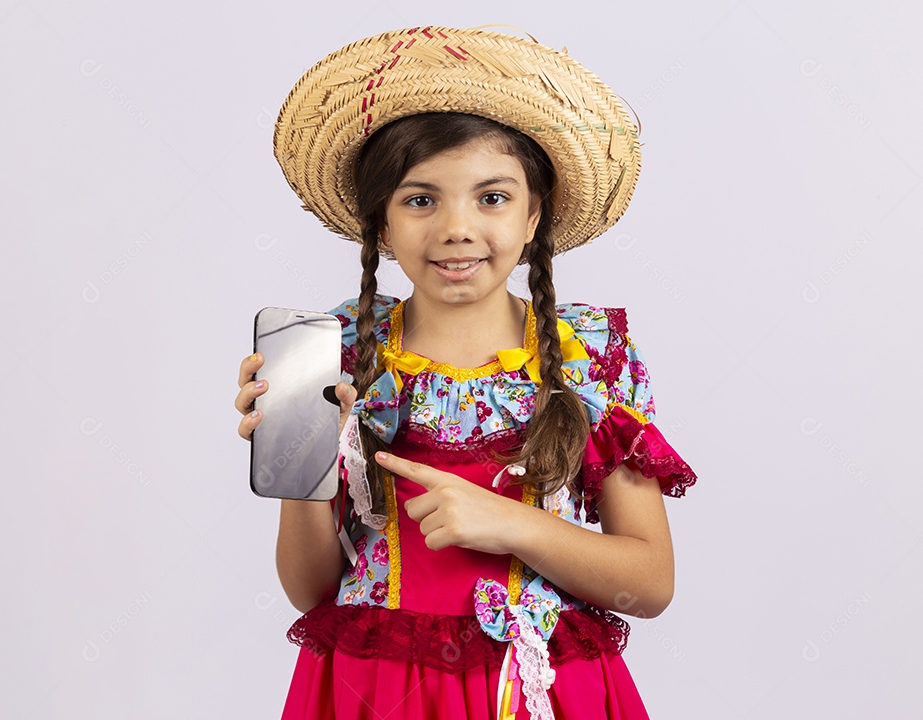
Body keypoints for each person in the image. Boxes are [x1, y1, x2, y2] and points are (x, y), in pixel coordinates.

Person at [234, 26, 698, 719]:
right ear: (383, 226)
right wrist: (298, 464)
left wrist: (510, 525)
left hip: (539, 691)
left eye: (492, 198)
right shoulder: (342, 353)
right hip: (375, 690)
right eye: (421, 199)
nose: (456, 228)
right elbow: (310, 592)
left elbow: (650, 583)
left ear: (535, 212)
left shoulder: (589, 358)